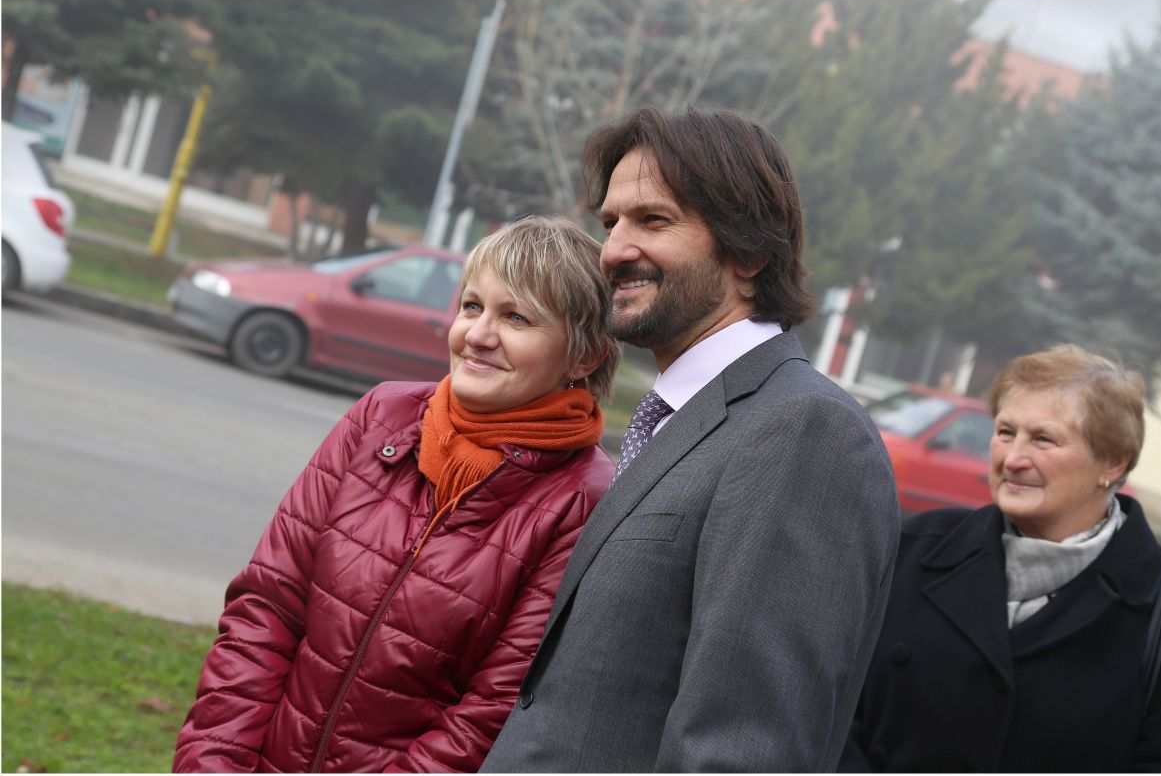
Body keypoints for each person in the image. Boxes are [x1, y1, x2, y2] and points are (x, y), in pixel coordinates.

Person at [482, 106, 901, 772]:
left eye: (653, 220)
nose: (615, 250)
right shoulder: (679, 417)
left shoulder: (804, 433)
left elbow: (743, 750)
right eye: (610, 223)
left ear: (750, 251)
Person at [173, 216, 620, 773]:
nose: (478, 335)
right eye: (472, 306)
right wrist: (215, 762)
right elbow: (268, 606)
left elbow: (491, 711)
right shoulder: (380, 415)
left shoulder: (586, 500)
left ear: (585, 356)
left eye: (517, 318)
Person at [841, 344, 1161, 772]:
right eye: (1006, 432)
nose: (1012, 459)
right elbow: (838, 709)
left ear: (1114, 461)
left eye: (1043, 439)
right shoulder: (916, 547)